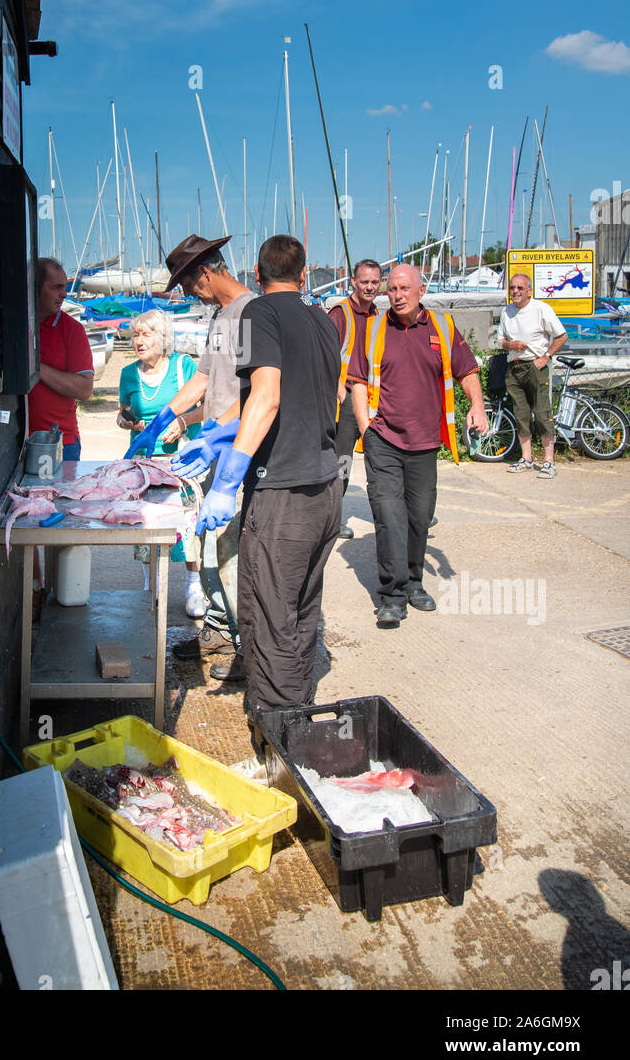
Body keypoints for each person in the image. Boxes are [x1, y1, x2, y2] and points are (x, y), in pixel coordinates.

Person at [193, 235, 342, 741]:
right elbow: (313, 395)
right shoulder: (323, 319)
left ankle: (281, 737)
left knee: (271, 612)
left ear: (257, 275)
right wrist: (215, 437)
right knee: (302, 610)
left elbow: (269, 396)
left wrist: (228, 478)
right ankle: (296, 705)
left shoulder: (258, 313)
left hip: (283, 492)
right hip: (326, 486)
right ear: (304, 273)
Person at [129, 234, 255, 679]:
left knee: (233, 548)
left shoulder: (251, 315)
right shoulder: (220, 316)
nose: (184, 294)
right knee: (204, 544)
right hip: (212, 448)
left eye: (185, 285)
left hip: (238, 450)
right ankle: (219, 625)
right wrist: (165, 417)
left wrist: (221, 438)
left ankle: (250, 648)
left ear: (205, 273)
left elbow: (260, 393)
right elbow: (203, 377)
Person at [347, 262, 487, 629]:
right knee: (389, 518)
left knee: (419, 517)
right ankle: (392, 595)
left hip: (426, 443)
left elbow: (467, 370)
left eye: (404, 288)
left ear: (421, 291)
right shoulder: (375, 329)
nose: (397, 295)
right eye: (392, 289)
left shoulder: (441, 327)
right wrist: (366, 428)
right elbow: (358, 381)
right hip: (384, 440)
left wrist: (477, 405)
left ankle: (413, 582)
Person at [116, 308, 204, 610]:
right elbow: (122, 412)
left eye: (146, 334)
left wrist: (181, 422)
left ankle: (193, 587)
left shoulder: (183, 366)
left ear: (163, 337)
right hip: (142, 463)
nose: (139, 341)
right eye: (136, 335)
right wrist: (126, 422)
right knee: (145, 526)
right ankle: (149, 584)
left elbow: (210, 407)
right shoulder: (128, 374)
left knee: (188, 527)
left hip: (181, 459)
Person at [327, 258, 382, 538]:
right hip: (346, 399)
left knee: (381, 458)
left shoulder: (377, 315)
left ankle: (394, 514)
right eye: (365, 282)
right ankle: (333, 521)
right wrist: (340, 394)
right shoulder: (341, 313)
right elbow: (326, 356)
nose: (370, 287)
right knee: (342, 462)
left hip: (373, 398)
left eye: (374, 282)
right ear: (353, 282)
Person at [498, 274, 568, 477]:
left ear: (529, 290)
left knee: (542, 413)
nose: (516, 291)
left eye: (520, 287)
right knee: (522, 415)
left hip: (535, 366)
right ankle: (526, 458)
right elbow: (500, 341)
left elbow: (561, 335)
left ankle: (549, 461)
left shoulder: (541, 309)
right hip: (514, 367)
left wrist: (545, 357)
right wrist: (511, 345)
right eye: (512, 287)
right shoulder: (507, 311)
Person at [27, 258, 94, 459]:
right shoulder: (12, 325)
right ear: (33, 287)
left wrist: (35, 367)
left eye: (64, 287)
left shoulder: (72, 330)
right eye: (56, 287)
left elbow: (84, 389)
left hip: (57, 445)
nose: (64, 294)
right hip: (11, 443)